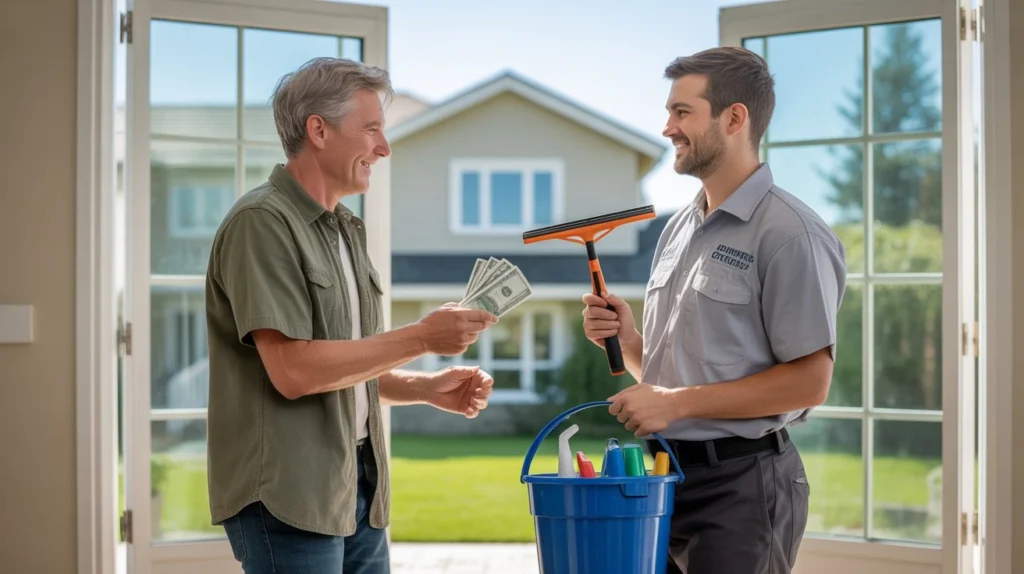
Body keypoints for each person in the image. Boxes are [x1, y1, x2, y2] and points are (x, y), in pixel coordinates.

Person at [204, 57, 499, 574]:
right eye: (371, 129)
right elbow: (294, 372)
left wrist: (425, 388)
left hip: (356, 483)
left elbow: (341, 367)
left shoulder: (344, 229)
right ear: (318, 130)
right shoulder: (262, 223)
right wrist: (422, 337)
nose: (384, 148)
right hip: (290, 494)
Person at [582, 47, 847, 573]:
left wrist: (675, 403)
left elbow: (810, 382)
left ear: (734, 118)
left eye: (682, 112)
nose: (667, 129)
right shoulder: (679, 229)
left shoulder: (791, 234)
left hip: (742, 490)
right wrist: (628, 342)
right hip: (665, 479)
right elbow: (673, 379)